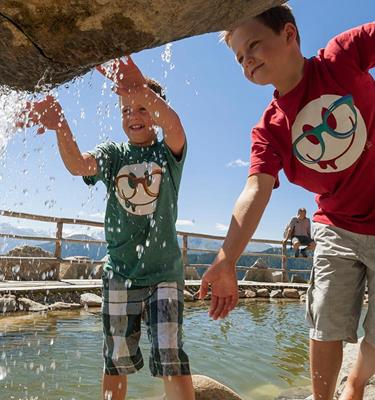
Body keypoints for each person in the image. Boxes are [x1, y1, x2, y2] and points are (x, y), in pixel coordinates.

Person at [199, 4, 375, 400]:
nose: (247, 61)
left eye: (254, 46)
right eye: (240, 58)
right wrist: (227, 259)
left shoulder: (342, 56)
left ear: (289, 35)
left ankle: (357, 381)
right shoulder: (269, 129)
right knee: (326, 319)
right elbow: (255, 189)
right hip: (336, 226)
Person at [17, 56, 195, 400]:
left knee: (171, 357)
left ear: (155, 114)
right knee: (115, 361)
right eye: (126, 110)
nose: (133, 117)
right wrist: (60, 126)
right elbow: (78, 165)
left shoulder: (168, 153)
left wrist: (141, 90)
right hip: (120, 274)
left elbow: (175, 127)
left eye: (142, 108)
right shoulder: (114, 154)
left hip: (165, 274)